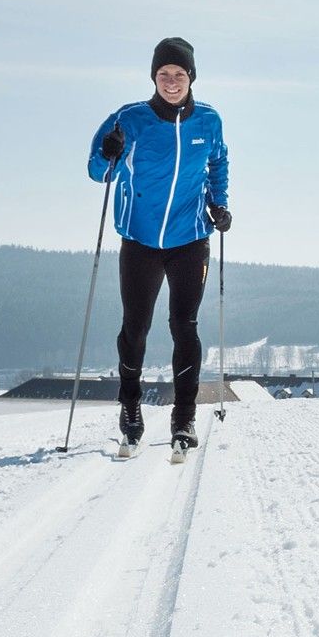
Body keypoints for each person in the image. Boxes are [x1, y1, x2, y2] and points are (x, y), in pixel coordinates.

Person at [87, 37, 231, 456]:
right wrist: (108, 153)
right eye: (164, 74)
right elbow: (98, 171)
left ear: (191, 78)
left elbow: (219, 162)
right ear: (154, 77)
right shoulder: (129, 118)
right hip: (140, 240)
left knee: (184, 326)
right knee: (136, 327)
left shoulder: (209, 121)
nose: (172, 81)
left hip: (190, 238)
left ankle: (183, 419)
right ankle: (130, 408)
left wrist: (218, 205)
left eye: (179, 74)